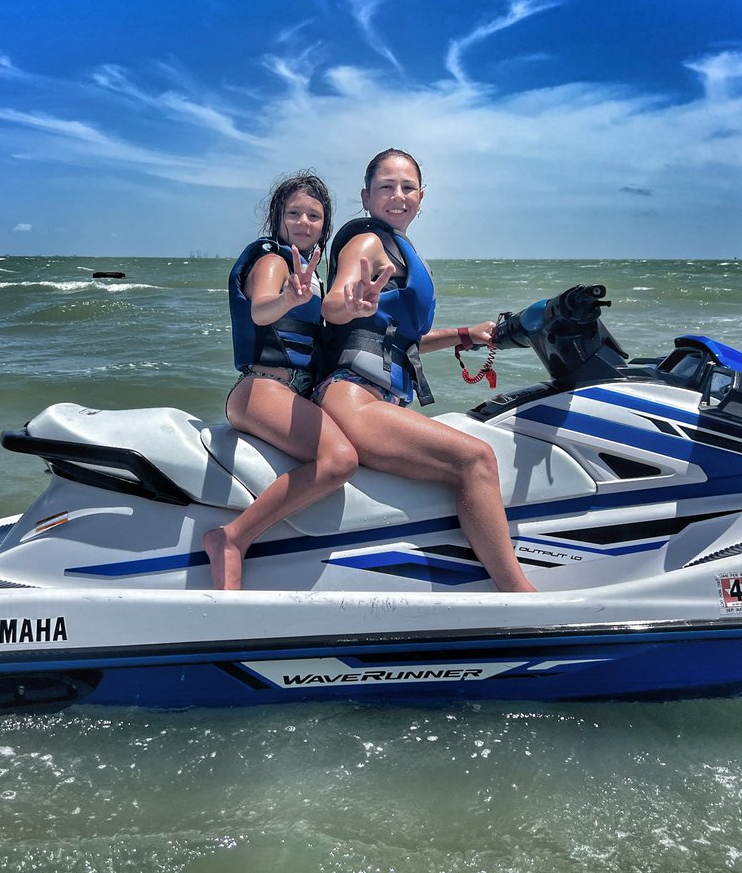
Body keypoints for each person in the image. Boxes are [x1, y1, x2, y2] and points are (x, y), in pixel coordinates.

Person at [315, 148, 536, 593]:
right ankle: (520, 595)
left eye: (407, 187)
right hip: (352, 396)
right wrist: (347, 304)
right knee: (476, 459)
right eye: (385, 187)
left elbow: (399, 344)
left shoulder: (398, 248)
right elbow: (334, 304)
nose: (398, 196)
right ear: (366, 195)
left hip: (375, 395)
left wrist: (466, 335)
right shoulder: (367, 243)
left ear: (422, 195)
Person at [203, 172, 358, 589]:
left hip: (292, 393)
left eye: (314, 215)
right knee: (340, 459)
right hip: (261, 389)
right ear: (278, 217)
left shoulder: (317, 279)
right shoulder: (273, 263)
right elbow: (260, 311)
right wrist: (288, 298)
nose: (304, 223)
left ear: (325, 225)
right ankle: (231, 540)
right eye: (294, 213)